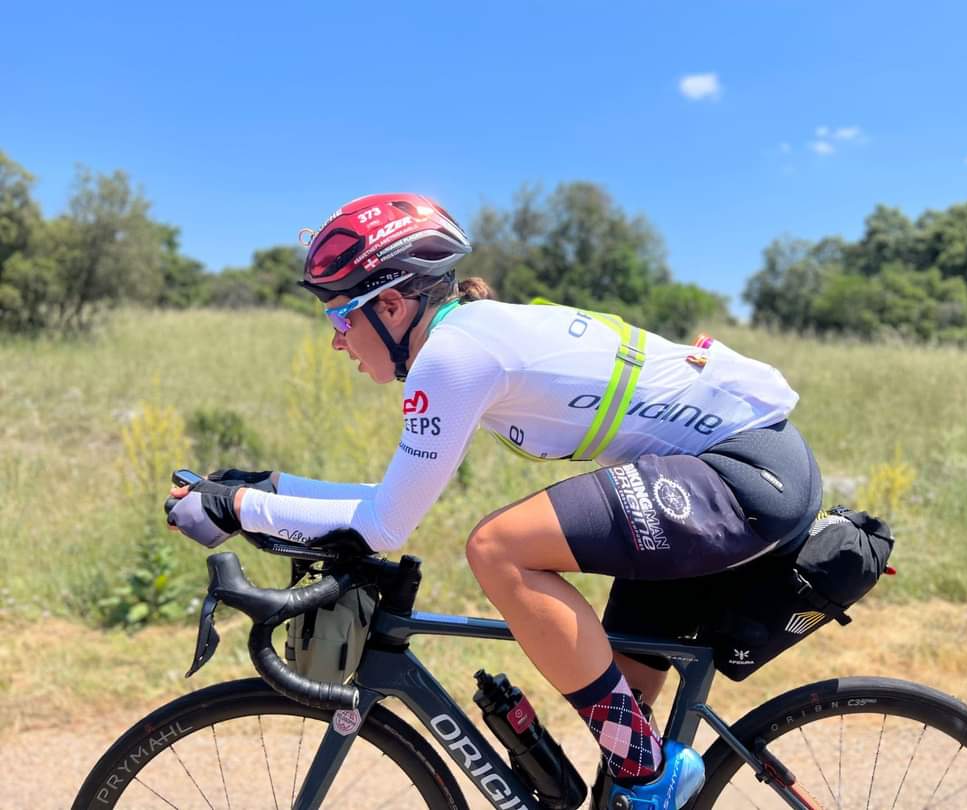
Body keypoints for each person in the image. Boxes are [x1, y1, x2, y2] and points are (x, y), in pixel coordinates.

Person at [166, 193, 822, 809]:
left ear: (390, 307)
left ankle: (649, 772)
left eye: (340, 317)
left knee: (498, 548)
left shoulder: (453, 356)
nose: (337, 339)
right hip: (716, 476)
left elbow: (385, 525)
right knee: (618, 754)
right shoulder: (465, 339)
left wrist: (238, 508)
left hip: (743, 476)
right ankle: (640, 775)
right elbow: (387, 502)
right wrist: (266, 491)